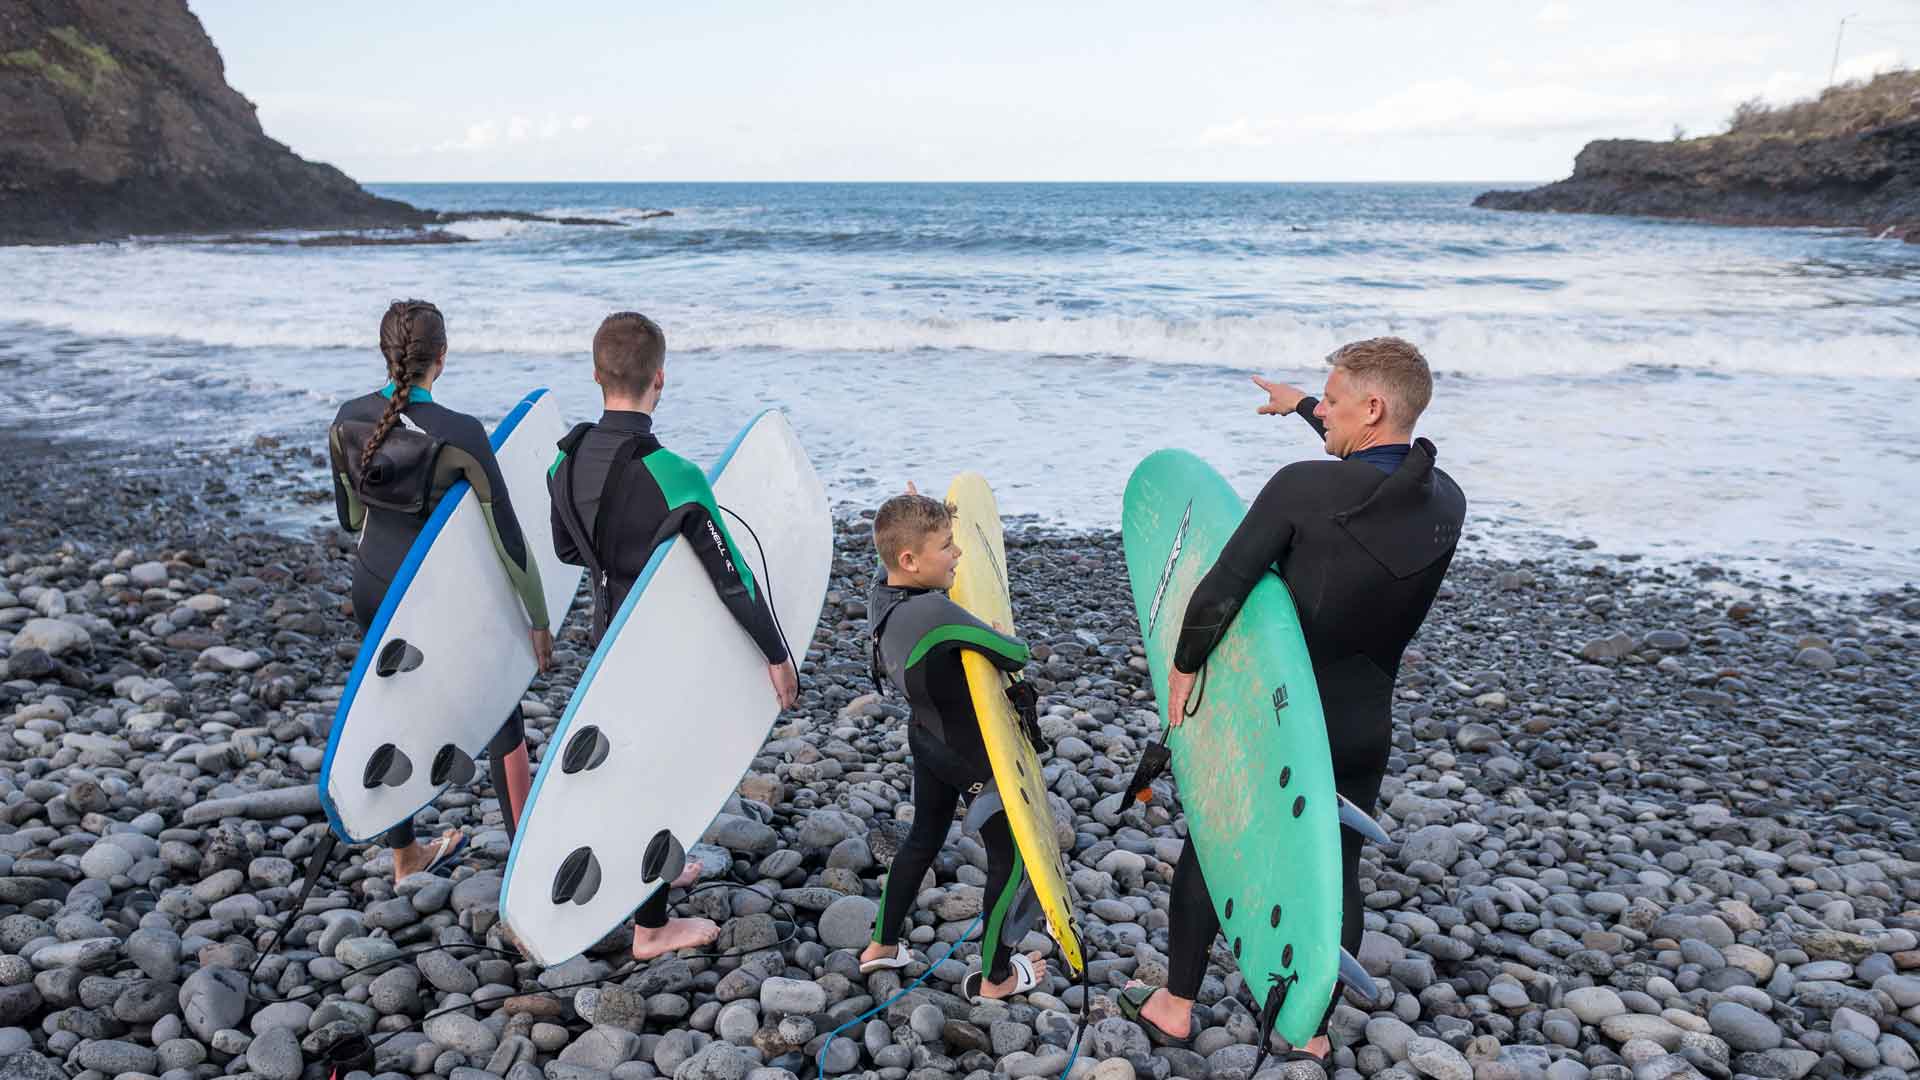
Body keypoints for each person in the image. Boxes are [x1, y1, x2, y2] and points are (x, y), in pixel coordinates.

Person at [1115, 337, 1466, 1062]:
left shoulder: (1301, 489)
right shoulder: (1445, 501)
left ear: (1373, 407)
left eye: (1333, 401)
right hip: (1363, 723)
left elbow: (1220, 589)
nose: (1324, 412)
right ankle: (1308, 1029)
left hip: (1282, 719)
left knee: (1215, 844)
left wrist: (1183, 665)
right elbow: (1366, 487)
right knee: (1334, 870)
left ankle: (1175, 1006)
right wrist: (1302, 405)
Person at [548, 311, 799, 961]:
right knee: (665, 775)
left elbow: (567, 550)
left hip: (607, 643)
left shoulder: (563, 462)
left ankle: (650, 871)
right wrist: (777, 655)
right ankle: (651, 928)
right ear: (659, 379)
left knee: (630, 766)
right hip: (663, 650)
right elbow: (732, 578)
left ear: (597, 375)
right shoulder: (676, 475)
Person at [328, 299, 553, 882]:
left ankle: (405, 858)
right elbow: (508, 539)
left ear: (385, 353)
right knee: (501, 709)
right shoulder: (461, 434)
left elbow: (351, 520)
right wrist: (539, 620)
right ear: (443, 357)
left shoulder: (347, 421)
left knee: (391, 708)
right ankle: (525, 866)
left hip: (374, 588)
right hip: (435, 599)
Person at [858, 488, 1049, 1003]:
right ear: (909, 559)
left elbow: (890, 558)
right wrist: (993, 631)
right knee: (1011, 859)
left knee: (923, 838)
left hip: (926, 737)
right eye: (946, 546)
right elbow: (1014, 653)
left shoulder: (882, 592)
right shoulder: (935, 614)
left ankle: (882, 945)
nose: (958, 553)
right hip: (969, 755)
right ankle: (995, 977)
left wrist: (914, 513)